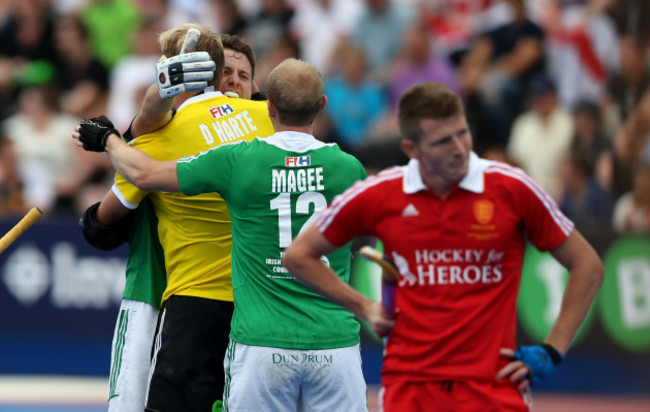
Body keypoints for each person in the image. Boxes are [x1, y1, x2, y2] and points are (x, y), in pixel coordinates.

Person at [283, 81, 605, 411]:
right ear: (411, 149)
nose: (459, 148)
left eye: (462, 133)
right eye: (442, 141)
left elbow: (588, 266)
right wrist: (364, 306)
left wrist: (552, 349)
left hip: (494, 390)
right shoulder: (381, 193)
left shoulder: (512, 187)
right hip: (409, 388)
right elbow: (298, 256)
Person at [74, 58, 369, 412]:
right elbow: (361, 243)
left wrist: (108, 140)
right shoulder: (350, 169)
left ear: (269, 105)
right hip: (334, 342)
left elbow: (145, 174)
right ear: (322, 105)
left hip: (260, 340)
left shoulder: (239, 160)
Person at [76, 24, 274, 412]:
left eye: (244, 76)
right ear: (214, 74)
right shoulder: (270, 121)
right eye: (228, 73)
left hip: (190, 302)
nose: (234, 82)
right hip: (264, 307)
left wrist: (111, 140)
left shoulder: (153, 142)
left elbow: (100, 224)